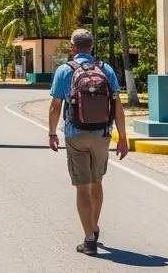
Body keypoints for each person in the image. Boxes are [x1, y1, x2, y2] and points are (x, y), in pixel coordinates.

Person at [48, 28, 127, 256]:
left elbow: (55, 107)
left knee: (82, 186)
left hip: (75, 134)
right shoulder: (106, 69)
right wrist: (122, 137)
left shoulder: (65, 70)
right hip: (102, 134)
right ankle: (93, 226)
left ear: (73, 47)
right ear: (92, 47)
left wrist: (52, 134)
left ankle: (89, 238)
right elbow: (117, 106)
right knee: (96, 182)